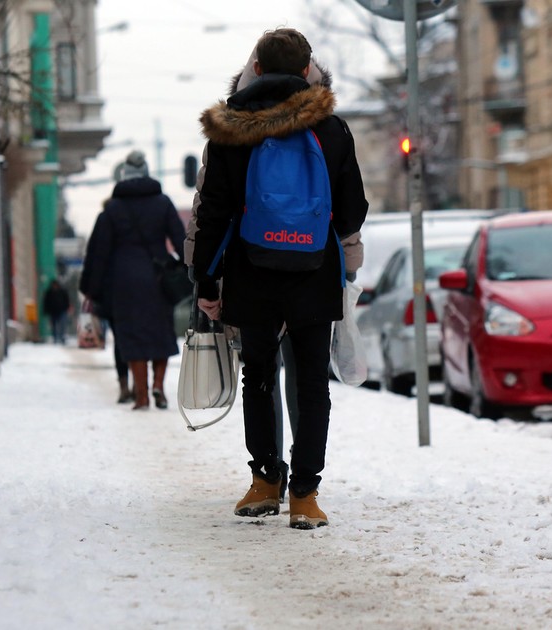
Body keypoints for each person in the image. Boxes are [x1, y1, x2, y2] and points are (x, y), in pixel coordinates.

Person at [190, 29, 368, 529]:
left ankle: (266, 481)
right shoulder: (332, 130)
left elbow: (214, 212)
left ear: (259, 70)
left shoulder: (231, 129)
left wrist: (206, 281)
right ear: (308, 70)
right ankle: (306, 496)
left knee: (259, 376)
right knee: (312, 381)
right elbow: (352, 209)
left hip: (252, 268)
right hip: (313, 272)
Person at [80, 150, 186, 410]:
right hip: (158, 276)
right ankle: (158, 385)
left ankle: (141, 395)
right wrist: (187, 267)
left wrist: (91, 289)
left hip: (123, 280)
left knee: (133, 338)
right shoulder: (163, 203)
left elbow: (99, 251)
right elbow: (182, 238)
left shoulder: (112, 210)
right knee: (161, 333)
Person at [42, 278, 71, 345]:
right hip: (53, 311)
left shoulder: (63, 291)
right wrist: (45, 311)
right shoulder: (49, 292)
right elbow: (46, 302)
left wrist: (67, 308)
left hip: (62, 310)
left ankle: (62, 337)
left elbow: (67, 300)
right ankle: (55, 337)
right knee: (54, 325)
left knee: (62, 325)